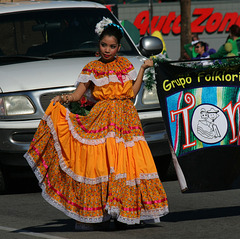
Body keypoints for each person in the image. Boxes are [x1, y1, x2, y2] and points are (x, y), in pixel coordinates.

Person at [24, 17, 169, 231]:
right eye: (103, 45)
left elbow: (131, 93)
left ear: (118, 48)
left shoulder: (125, 65)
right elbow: (77, 95)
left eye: (112, 46)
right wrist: (61, 99)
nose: (107, 50)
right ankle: (102, 212)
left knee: (128, 164)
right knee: (102, 165)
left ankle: (121, 211)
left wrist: (142, 70)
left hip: (127, 121)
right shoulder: (92, 67)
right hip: (102, 120)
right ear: (98, 44)